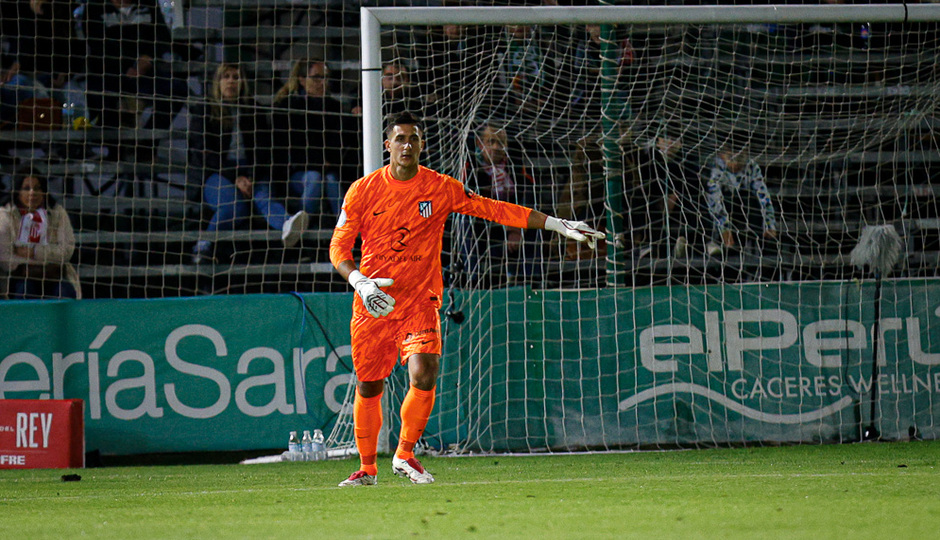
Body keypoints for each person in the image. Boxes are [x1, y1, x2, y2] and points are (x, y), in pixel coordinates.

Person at [329, 112, 603, 486]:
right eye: (400, 138)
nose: (407, 145)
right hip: (373, 300)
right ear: (387, 144)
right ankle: (366, 468)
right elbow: (339, 247)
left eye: (414, 138)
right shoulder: (363, 190)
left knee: (424, 373)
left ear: (422, 145)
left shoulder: (440, 187)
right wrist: (360, 281)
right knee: (369, 386)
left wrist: (557, 223)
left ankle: (405, 454)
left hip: (420, 300)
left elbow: (494, 208)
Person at [188, 63, 307, 264]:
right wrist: (235, 177)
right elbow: (204, 154)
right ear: (218, 82)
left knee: (264, 199)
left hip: (252, 171)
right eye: (226, 76)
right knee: (234, 207)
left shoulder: (254, 110)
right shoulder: (205, 110)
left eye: (236, 77)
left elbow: (263, 150)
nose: (231, 81)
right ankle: (203, 246)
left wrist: (250, 176)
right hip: (217, 172)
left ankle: (289, 226)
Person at [271, 59, 355, 223]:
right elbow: (288, 147)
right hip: (297, 172)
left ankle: (344, 230)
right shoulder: (287, 107)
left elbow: (341, 144)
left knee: (330, 181)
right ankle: (302, 228)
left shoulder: (334, 107)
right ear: (302, 80)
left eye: (325, 77)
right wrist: (318, 162)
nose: (322, 82)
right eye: (317, 77)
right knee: (315, 178)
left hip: (329, 169)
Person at [457, 122, 541, 287]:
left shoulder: (516, 167)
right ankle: (471, 278)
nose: (496, 147)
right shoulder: (471, 167)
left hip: (514, 221)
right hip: (483, 224)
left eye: (501, 142)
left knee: (537, 221)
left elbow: (529, 197)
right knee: (464, 220)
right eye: (491, 142)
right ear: (480, 145)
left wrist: (515, 228)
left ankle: (532, 280)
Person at [0, 172, 80, 299]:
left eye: (37, 188)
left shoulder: (57, 213)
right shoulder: (4, 215)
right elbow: (6, 261)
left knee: (65, 292)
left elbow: (66, 251)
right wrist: (47, 261)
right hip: (20, 278)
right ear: (18, 191)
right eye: (26, 188)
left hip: (54, 276)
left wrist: (34, 253)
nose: (33, 193)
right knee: (26, 289)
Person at [704, 144, 778, 256]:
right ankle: (719, 246)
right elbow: (714, 199)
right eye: (731, 158)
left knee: (749, 198)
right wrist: (724, 228)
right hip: (724, 214)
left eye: (741, 158)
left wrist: (769, 224)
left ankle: (766, 250)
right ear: (722, 155)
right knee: (727, 199)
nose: (736, 164)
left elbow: (763, 195)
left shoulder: (751, 166)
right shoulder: (716, 167)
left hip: (747, 215)